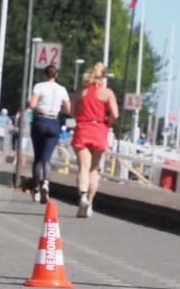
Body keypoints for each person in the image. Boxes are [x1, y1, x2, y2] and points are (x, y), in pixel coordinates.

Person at [71, 62, 119, 217]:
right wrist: (107, 122)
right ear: (103, 77)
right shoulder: (107, 93)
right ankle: (90, 203)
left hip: (83, 129)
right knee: (93, 169)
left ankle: (83, 196)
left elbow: (72, 111)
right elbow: (115, 114)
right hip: (99, 130)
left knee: (83, 168)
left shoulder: (80, 91)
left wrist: (81, 116)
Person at [27, 64, 71, 204]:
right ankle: (46, 182)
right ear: (56, 75)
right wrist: (59, 108)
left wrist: (33, 104)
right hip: (54, 122)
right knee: (47, 158)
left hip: (40, 120)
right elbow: (68, 109)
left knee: (38, 158)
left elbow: (32, 104)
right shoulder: (62, 89)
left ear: (45, 74)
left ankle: (36, 189)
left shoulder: (39, 86)